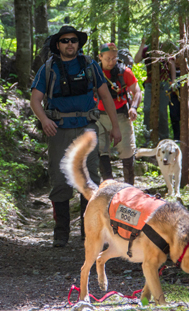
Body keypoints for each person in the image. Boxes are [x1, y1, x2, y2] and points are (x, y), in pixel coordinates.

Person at [30, 26, 122, 247]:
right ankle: (61, 232)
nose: (69, 44)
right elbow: (35, 100)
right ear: (58, 45)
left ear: (78, 44)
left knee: (89, 179)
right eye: (65, 41)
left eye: (73, 40)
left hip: (87, 129)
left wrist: (115, 127)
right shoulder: (48, 68)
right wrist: (45, 120)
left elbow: (106, 96)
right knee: (60, 179)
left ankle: (89, 232)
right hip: (58, 130)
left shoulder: (89, 65)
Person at [96, 42, 142, 185]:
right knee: (100, 152)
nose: (111, 62)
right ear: (100, 56)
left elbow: (137, 91)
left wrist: (133, 107)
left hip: (121, 116)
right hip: (99, 117)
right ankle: (109, 187)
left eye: (114, 58)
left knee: (127, 152)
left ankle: (129, 188)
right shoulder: (93, 72)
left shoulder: (124, 72)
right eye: (108, 58)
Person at [134, 38, 176, 143]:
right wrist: (142, 44)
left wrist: (173, 81)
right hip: (149, 83)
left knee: (162, 111)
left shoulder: (164, 48)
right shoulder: (147, 49)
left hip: (164, 83)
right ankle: (148, 137)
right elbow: (136, 60)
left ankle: (164, 138)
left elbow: (172, 64)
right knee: (147, 109)